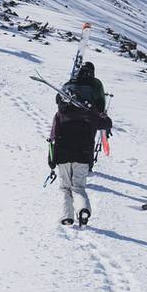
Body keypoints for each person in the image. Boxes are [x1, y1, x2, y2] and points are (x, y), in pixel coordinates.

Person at [49, 71, 113, 226]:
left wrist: (51, 159)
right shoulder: (90, 113)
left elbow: (52, 137)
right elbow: (106, 124)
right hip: (83, 155)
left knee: (65, 188)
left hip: (63, 154)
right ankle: (83, 209)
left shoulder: (60, 114)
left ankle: (67, 216)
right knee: (78, 187)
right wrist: (102, 115)